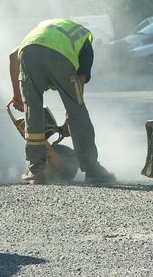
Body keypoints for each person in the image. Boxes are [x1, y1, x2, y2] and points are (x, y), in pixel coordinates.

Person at [9, 18, 116, 184]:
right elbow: (77, 95)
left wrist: (17, 96)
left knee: (33, 114)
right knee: (78, 112)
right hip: (58, 59)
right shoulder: (85, 42)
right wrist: (69, 121)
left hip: (28, 54)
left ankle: (36, 171)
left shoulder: (42, 31)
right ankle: (93, 169)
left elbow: (12, 57)